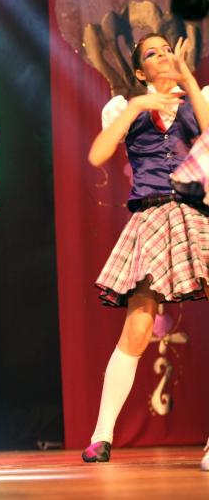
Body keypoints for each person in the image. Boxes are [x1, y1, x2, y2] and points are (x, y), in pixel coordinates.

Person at [82, 33, 209, 471]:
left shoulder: (200, 97)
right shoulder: (124, 106)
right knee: (138, 326)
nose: (164, 56)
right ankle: (102, 436)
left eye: (168, 50)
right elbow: (98, 154)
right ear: (140, 72)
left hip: (198, 215)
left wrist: (187, 79)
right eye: (153, 54)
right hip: (152, 216)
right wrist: (138, 104)